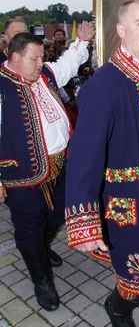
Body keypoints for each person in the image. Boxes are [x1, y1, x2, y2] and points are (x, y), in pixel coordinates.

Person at [64, 0, 139, 327]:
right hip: (130, 202)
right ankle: (117, 308)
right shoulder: (103, 86)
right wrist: (83, 221)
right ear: (120, 30)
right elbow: (83, 159)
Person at [0, 22, 95, 311]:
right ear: (15, 57)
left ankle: (42, 248)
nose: (42, 64)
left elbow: (65, 65)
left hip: (61, 164)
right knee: (28, 229)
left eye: (42, 58)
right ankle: (42, 281)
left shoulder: (44, 75)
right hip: (22, 174)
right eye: (35, 59)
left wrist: (81, 42)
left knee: (59, 211)